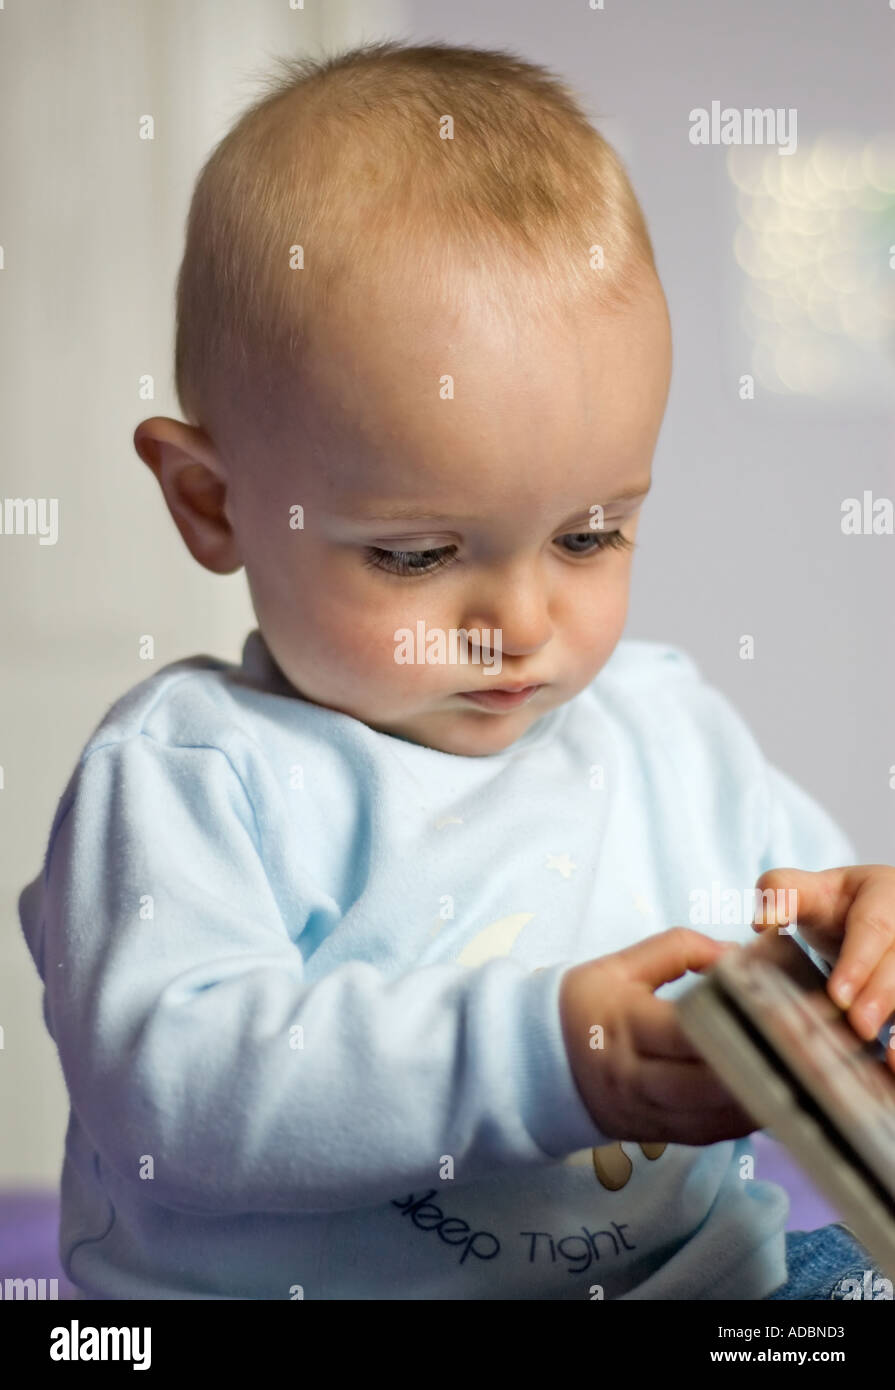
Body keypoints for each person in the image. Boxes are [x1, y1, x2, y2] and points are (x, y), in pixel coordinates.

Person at [18, 38, 888, 1300]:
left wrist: (863, 949)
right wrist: (557, 1056)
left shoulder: (669, 730)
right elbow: (176, 1097)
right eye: (419, 554)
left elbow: (793, 941)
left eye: (588, 535)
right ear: (212, 503)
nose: (522, 621)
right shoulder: (189, 773)